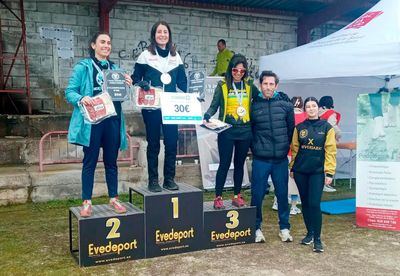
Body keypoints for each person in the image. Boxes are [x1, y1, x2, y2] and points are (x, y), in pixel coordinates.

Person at [65, 32, 133, 217]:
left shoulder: (116, 69)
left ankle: (114, 198)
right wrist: (81, 98)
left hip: (112, 121)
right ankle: (87, 201)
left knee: (112, 162)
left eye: (109, 43)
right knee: (90, 162)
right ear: (93, 45)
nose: (106, 45)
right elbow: (69, 92)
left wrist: (127, 84)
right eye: (102, 42)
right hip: (93, 123)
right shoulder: (83, 67)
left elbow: (120, 97)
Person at [132, 21, 187, 192]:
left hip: (171, 107)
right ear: (154, 35)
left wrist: (192, 96)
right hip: (152, 107)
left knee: (171, 143)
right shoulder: (145, 55)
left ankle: (169, 179)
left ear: (169, 35)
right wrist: (142, 83)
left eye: (165, 32)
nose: (162, 35)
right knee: (153, 144)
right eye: (159, 32)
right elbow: (135, 78)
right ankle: (153, 180)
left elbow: (183, 82)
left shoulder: (175, 56)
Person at [204, 54, 257, 209]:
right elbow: (214, 105)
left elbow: (261, 98)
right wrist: (208, 114)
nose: (239, 73)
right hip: (226, 130)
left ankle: (237, 195)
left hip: (245, 131)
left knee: (240, 165)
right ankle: (218, 196)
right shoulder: (223, 85)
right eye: (235, 70)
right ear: (230, 70)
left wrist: (276, 96)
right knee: (225, 164)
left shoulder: (249, 86)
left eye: (242, 71)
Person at [250, 70, 295, 243]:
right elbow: (251, 131)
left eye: (271, 84)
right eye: (265, 84)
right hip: (261, 159)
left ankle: (284, 228)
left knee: (282, 194)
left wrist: (284, 148)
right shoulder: (253, 106)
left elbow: (291, 130)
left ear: (276, 86)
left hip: (280, 161)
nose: (268, 87)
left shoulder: (286, 106)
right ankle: (256, 228)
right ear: (260, 85)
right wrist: (255, 147)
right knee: (257, 195)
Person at [289, 97, 337, 253]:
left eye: (313, 106)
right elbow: (295, 149)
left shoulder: (327, 127)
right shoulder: (299, 127)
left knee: (315, 204)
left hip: (317, 172)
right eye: (308, 106)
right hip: (301, 171)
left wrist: (329, 172)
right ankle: (309, 233)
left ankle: (317, 238)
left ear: (318, 108)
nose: (311, 108)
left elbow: (330, 150)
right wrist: (292, 168)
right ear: (304, 110)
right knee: (305, 203)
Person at [272, 96, 305, 215]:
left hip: (284, 151)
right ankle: (294, 206)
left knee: (281, 179)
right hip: (299, 153)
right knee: (295, 181)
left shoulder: (286, 115)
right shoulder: (305, 116)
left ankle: (276, 202)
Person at [318, 95, 340, 192]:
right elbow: (332, 126)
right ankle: (325, 184)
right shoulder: (331, 113)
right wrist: (339, 134)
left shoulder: (316, 112)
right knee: (328, 162)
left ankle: (320, 183)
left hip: (316, 140)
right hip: (327, 141)